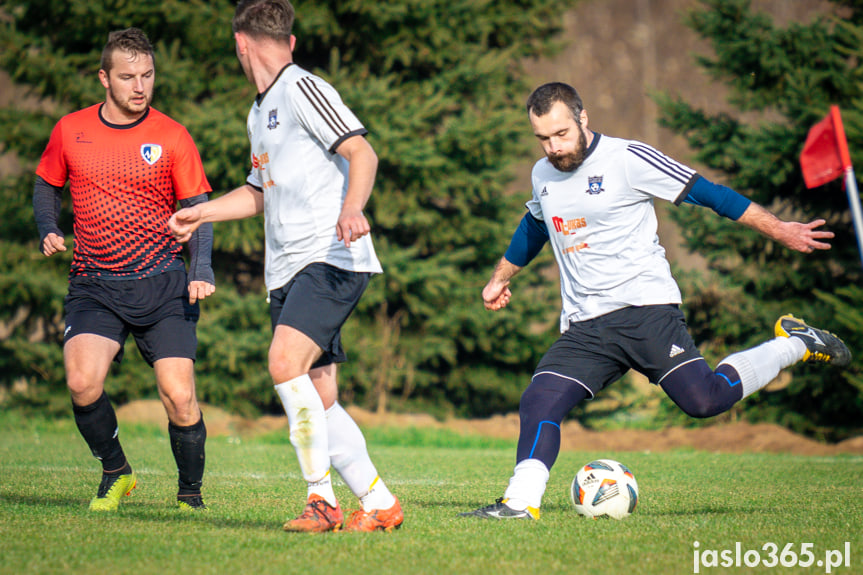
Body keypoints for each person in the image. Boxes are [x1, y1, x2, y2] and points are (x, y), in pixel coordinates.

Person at [460, 82, 852, 520]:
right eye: (543, 139)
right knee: (540, 399)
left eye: (561, 134)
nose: (553, 147)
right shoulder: (543, 174)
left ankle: (794, 343)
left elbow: (710, 194)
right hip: (587, 325)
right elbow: (535, 225)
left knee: (704, 401)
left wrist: (778, 228)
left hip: (647, 313)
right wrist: (500, 277)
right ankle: (519, 504)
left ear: (583, 118)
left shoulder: (628, 158)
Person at [168, 0, 402, 533]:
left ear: (239, 43)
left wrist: (352, 207)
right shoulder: (260, 111)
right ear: (288, 40)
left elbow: (362, 154)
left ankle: (321, 503)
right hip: (291, 268)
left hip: (331, 257)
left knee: (283, 364)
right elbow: (258, 193)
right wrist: (199, 212)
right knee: (319, 396)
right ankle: (380, 502)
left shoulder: (303, 88)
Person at [34, 28, 215, 511]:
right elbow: (46, 184)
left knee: (179, 396)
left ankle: (189, 494)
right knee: (80, 382)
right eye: (128, 77)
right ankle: (115, 472)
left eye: (148, 75)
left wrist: (203, 267)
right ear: (104, 78)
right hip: (94, 284)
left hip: (163, 284)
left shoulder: (172, 135)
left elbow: (198, 208)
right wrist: (47, 225)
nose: (140, 87)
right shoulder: (70, 129)